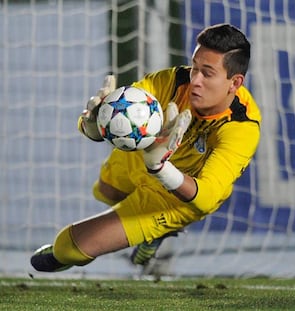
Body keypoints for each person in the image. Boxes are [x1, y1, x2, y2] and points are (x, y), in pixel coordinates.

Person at [30, 23, 261, 273]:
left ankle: (159, 230)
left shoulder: (241, 128)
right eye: (194, 67)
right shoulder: (171, 80)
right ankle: (145, 229)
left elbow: (205, 198)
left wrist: (160, 168)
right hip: (145, 155)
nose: (195, 80)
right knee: (104, 190)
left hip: (174, 196)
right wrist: (92, 124)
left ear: (235, 82)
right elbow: (120, 110)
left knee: (67, 247)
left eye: (207, 73)